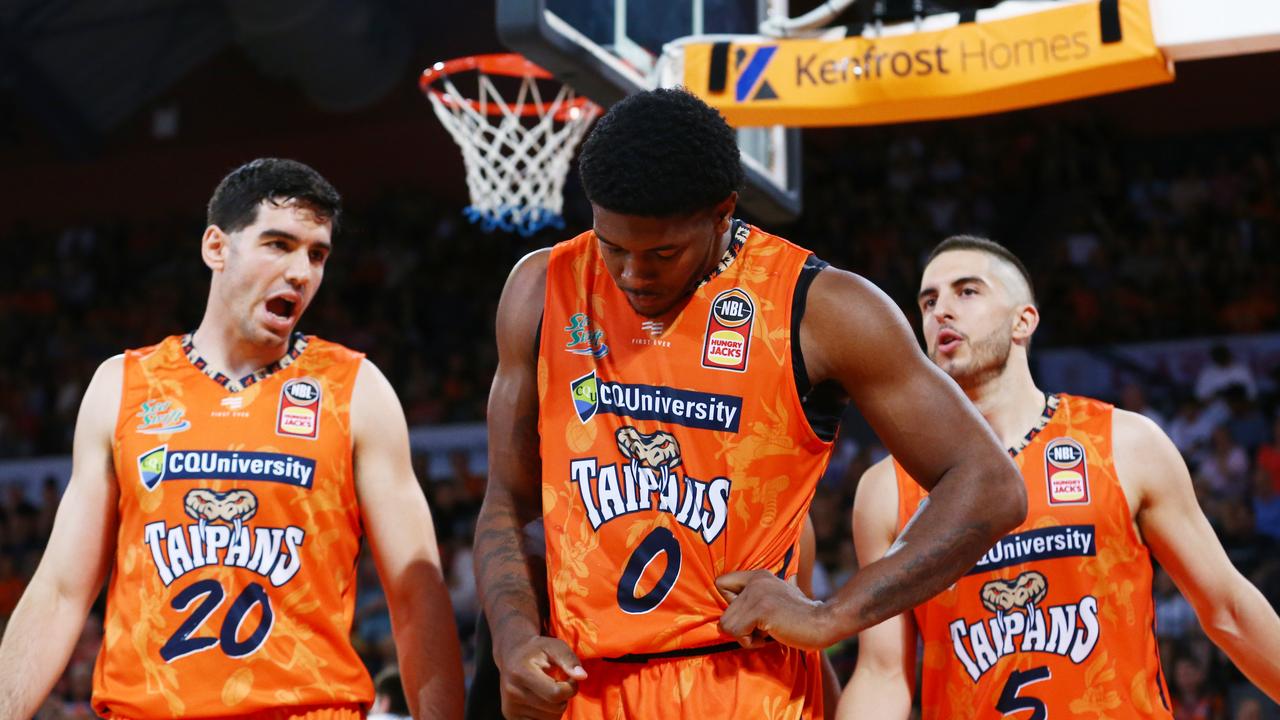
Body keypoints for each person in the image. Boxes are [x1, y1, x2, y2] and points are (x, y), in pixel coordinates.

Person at [475, 88, 1026, 720]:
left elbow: (988, 485)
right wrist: (514, 637)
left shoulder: (822, 308)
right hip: (587, 689)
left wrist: (832, 615)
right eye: (614, 247)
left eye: (661, 254)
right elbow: (507, 500)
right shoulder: (541, 289)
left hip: (743, 684)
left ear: (722, 214)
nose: (631, 274)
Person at [0, 158, 465, 719]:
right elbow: (60, 591)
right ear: (217, 248)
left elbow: (418, 595)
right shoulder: (121, 385)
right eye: (278, 244)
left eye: (317, 254)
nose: (301, 271)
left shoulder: (355, 389)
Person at [840, 235, 1280, 719]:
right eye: (929, 300)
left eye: (967, 291)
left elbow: (1229, 610)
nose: (941, 309)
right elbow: (883, 674)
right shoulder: (886, 489)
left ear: (1023, 320)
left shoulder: (1125, 444)